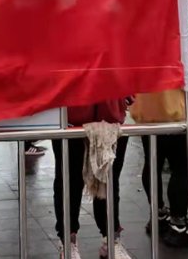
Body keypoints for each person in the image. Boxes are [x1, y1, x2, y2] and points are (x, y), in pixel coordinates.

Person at [131, 55, 188, 247]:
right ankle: (178, 224)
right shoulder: (174, 48)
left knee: (152, 165)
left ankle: (158, 214)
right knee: (181, 170)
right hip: (174, 120)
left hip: (145, 119)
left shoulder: (136, 49)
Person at [53, 99, 131, 259]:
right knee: (68, 183)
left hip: (112, 119)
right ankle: (67, 241)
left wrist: (125, 98)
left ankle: (111, 239)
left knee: (109, 183)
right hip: (70, 119)